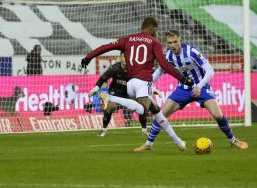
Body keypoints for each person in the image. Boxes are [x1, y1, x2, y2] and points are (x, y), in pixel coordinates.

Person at [81, 16, 194, 151]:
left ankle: (177, 142)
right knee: (143, 111)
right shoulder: (154, 43)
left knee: (157, 112)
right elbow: (164, 65)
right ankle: (110, 98)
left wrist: (88, 57)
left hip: (130, 84)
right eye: (156, 30)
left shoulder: (127, 39)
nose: (156, 33)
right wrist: (182, 79)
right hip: (143, 82)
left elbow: (106, 47)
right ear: (151, 28)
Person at [134, 30, 248, 151]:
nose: (172, 45)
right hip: (182, 89)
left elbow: (210, 71)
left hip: (202, 87)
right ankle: (148, 144)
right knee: (160, 114)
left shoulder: (192, 52)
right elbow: (160, 71)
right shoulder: (167, 56)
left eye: (175, 42)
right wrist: (146, 83)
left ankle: (233, 140)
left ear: (180, 40)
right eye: (169, 43)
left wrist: (199, 86)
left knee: (218, 115)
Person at [87, 52, 149, 137]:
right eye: (124, 56)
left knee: (144, 105)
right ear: (120, 57)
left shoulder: (135, 69)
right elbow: (102, 79)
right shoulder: (114, 68)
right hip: (115, 91)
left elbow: (144, 81)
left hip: (130, 93)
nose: (126, 59)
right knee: (110, 107)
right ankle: (103, 130)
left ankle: (144, 130)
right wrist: (95, 89)